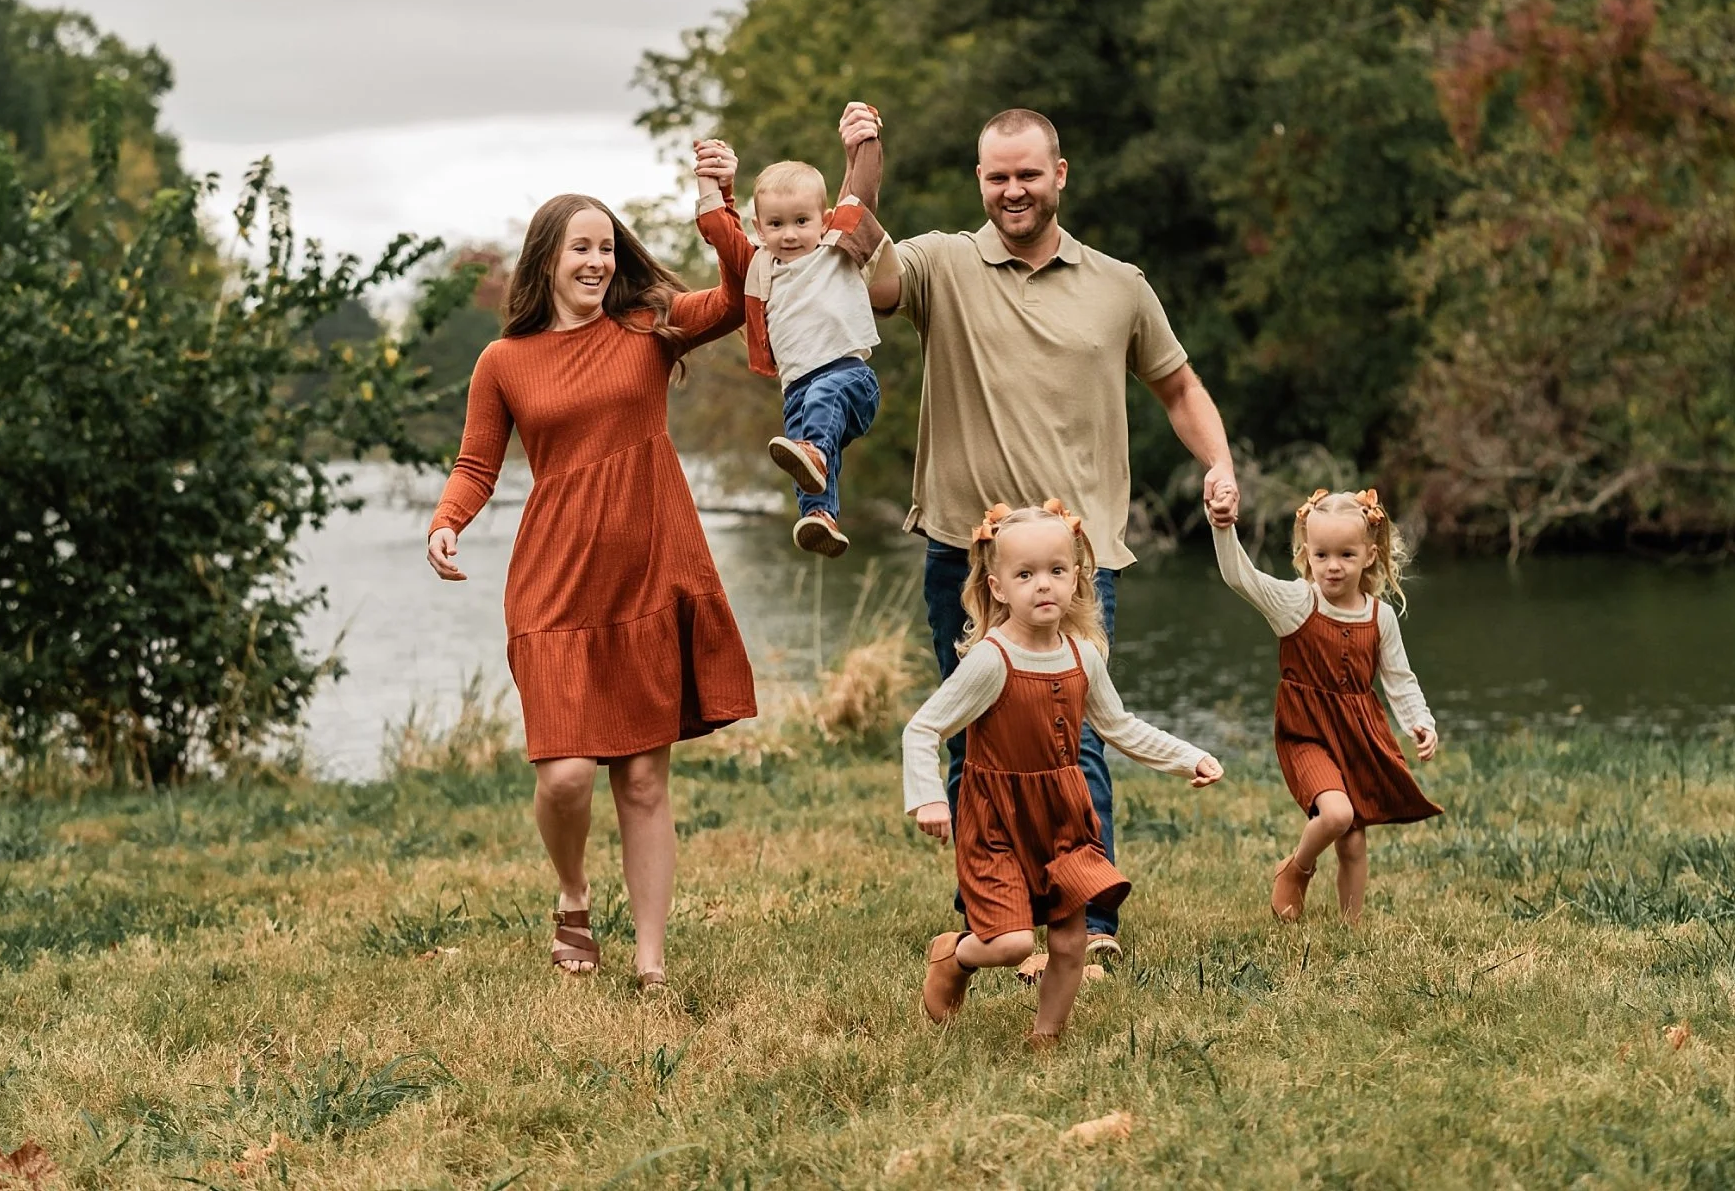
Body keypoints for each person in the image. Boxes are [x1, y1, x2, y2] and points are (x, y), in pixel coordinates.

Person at [842, 100, 1240, 964]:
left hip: (1077, 560)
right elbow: (863, 267)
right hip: (969, 554)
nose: (1012, 189)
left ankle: (1088, 923)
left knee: (1078, 734)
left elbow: (1177, 386)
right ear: (979, 180)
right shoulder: (943, 263)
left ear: (1060, 175)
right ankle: (992, 916)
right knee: (975, 735)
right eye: (997, 175)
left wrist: (1220, 461)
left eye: (1028, 173)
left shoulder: (1119, 284)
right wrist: (861, 160)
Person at [425, 194, 757, 991]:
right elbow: (477, 464)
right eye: (581, 248)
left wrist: (721, 207)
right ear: (547, 258)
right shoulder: (504, 361)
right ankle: (573, 894)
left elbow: (745, 295)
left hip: (648, 572)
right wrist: (448, 519)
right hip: (554, 581)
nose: (598, 262)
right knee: (566, 775)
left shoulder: (648, 329)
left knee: (643, 779)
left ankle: (650, 960)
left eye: (607, 248)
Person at [906, 502, 1223, 1044]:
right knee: (1008, 945)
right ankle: (953, 957)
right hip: (998, 820)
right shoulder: (990, 660)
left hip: (1063, 816)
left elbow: (1118, 726)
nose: (1043, 586)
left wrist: (1186, 756)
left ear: (1077, 578)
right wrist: (930, 798)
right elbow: (923, 729)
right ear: (998, 586)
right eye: (1025, 575)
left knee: (1071, 941)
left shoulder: (1083, 656)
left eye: (1056, 570)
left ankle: (1045, 1037)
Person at [1211, 488, 1442, 925]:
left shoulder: (1380, 617)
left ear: (1369, 555)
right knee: (1336, 813)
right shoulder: (1297, 603)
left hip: (1358, 735)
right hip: (1306, 732)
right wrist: (1222, 527)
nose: (1333, 566)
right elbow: (1240, 577)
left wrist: (1420, 722)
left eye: (1346, 555)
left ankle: (1350, 930)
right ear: (1306, 554)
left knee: (1353, 841)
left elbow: (1399, 679)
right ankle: (1296, 869)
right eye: (1321, 555)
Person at [692, 113, 894, 557]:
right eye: (777, 224)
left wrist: (864, 140)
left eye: (801, 221)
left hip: (850, 377)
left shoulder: (836, 249)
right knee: (810, 459)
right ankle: (821, 517)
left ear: (822, 221)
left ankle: (816, 454)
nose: (789, 234)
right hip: (797, 390)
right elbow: (720, 232)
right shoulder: (760, 269)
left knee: (821, 411)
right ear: (760, 229)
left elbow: (860, 193)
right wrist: (710, 182)